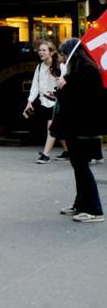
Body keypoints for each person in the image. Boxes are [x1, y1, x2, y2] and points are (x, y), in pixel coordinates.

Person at [51, 38, 107, 223]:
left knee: (82, 167)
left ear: (72, 54)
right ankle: (81, 204)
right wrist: (61, 89)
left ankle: (95, 210)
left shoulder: (87, 71)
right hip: (76, 126)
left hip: (83, 127)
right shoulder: (77, 70)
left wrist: (64, 87)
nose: (61, 58)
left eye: (63, 54)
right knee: (78, 166)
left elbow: (83, 100)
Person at [23, 39, 67, 163]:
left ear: (51, 52)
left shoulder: (61, 66)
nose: (40, 52)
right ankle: (68, 151)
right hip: (45, 102)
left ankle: (46, 155)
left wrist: (61, 86)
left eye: (44, 50)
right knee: (58, 129)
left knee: (51, 127)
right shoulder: (39, 67)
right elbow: (35, 86)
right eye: (39, 50)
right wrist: (30, 101)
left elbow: (68, 84)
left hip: (58, 102)